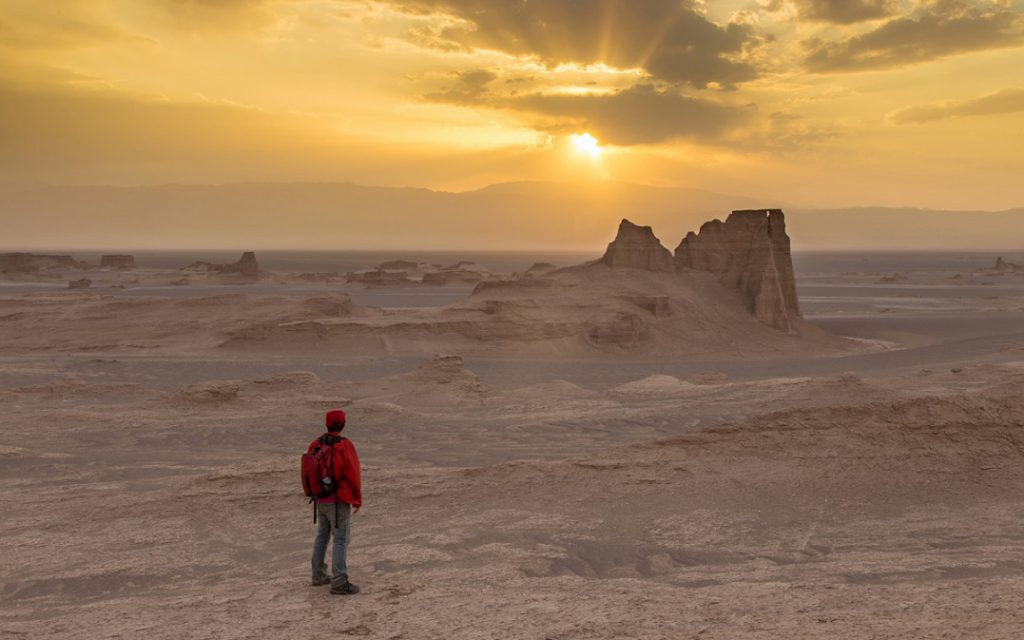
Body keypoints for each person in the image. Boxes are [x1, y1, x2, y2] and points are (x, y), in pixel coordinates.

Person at [309, 408, 362, 594]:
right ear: (343, 424)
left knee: (322, 535)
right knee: (340, 539)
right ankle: (339, 581)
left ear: (327, 424)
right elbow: (353, 474)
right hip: (338, 500)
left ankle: (318, 575)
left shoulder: (316, 443)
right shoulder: (344, 445)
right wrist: (357, 499)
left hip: (320, 499)